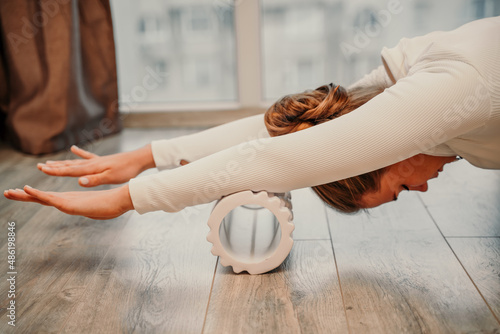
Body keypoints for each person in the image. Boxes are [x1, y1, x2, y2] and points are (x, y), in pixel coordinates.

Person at [4, 16, 500, 219]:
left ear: (376, 154)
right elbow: (297, 123)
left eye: (403, 189)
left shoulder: (453, 86)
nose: (426, 188)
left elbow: (280, 156)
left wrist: (128, 200)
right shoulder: (425, 86)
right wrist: (144, 157)